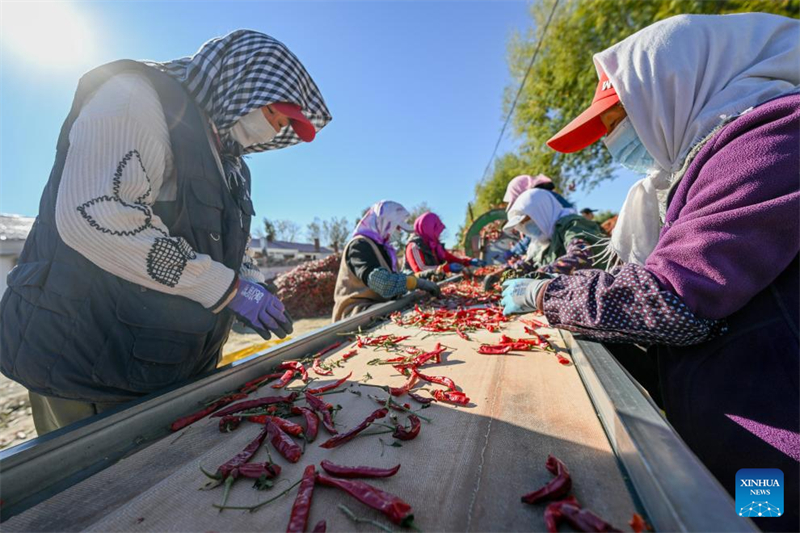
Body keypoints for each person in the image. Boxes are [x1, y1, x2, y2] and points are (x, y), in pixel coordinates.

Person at [503, 13, 799, 531]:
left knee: (767, 519)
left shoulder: (770, 140)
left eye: (619, 120)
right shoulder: (705, 162)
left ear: (674, 84)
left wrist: (543, 296)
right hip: (742, 424)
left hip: (777, 439)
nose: (616, 141)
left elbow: (673, 299)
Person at [0, 30, 332, 435]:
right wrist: (224, 288)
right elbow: (99, 217)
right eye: (273, 116)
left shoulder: (227, 159)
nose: (272, 131)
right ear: (242, 82)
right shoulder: (135, 99)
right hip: (88, 356)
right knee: (93, 489)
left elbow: (235, 247)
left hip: (157, 360)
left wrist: (250, 283)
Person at [332, 201, 441, 322]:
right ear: (384, 223)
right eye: (397, 227)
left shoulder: (383, 247)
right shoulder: (359, 246)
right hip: (355, 313)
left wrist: (421, 277)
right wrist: (416, 283)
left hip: (379, 307)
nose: (399, 232)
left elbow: (394, 277)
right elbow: (382, 283)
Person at [503, 188, 606, 276]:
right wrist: (506, 271)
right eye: (523, 224)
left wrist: (541, 274)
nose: (527, 226)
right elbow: (532, 262)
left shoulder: (571, 225)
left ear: (542, 212)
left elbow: (581, 256)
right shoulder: (543, 239)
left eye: (529, 220)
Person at [501, 174, 575, 262]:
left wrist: (515, 251)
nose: (527, 226)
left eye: (527, 220)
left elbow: (577, 257)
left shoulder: (569, 227)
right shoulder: (546, 232)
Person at [405, 212, 484, 276]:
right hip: (417, 292)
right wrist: (446, 268)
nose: (438, 234)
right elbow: (420, 270)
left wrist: (468, 261)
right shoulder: (414, 246)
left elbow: (450, 258)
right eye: (435, 230)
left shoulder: (434, 245)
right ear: (427, 229)